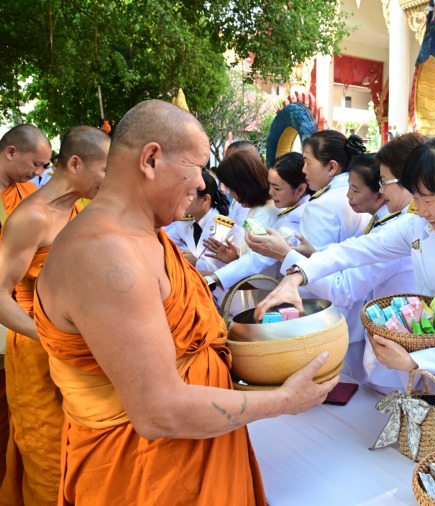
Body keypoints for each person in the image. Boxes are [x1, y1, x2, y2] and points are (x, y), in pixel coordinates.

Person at [33, 100, 336, 505]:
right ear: (152, 159)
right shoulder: (105, 254)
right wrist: (286, 401)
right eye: (196, 168)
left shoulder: (145, 234)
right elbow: (160, 411)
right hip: (149, 473)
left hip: (194, 450)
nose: (203, 184)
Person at [256, 136, 435, 438]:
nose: (421, 209)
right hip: (418, 384)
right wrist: (299, 274)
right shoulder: (419, 225)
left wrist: (415, 361)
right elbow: (358, 249)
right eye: (416, 198)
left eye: (429, 199)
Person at [0, 125, 109, 505]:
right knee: (48, 458)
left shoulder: (81, 209)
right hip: (35, 348)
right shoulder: (31, 217)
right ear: (76, 163)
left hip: (78, 350)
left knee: (85, 454)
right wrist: (48, 335)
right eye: (105, 169)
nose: (108, 180)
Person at [255, 131, 371, 380]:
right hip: (355, 313)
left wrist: (285, 255)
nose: (303, 169)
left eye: (307, 161)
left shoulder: (323, 204)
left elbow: (315, 274)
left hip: (328, 315)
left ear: (331, 167)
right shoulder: (354, 195)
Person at [0, 124, 50, 484]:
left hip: (21, 311)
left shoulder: (30, 195)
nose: (39, 173)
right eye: (35, 164)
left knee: (17, 414)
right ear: (11, 152)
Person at [208, 152, 311, 295]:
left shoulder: (284, 215)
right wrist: (236, 259)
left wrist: (213, 279)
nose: (271, 192)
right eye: (270, 186)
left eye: (277, 188)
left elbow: (258, 260)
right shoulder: (284, 211)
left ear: (300, 189)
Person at [165, 170, 244, 307]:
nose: (183, 200)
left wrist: (197, 263)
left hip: (228, 303)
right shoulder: (183, 224)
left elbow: (239, 272)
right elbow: (165, 244)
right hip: (198, 299)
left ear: (205, 199)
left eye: (189, 195)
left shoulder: (228, 229)